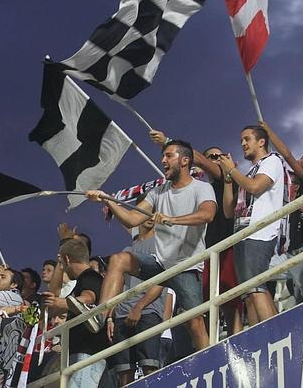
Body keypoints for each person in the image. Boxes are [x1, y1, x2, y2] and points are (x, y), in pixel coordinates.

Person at [87, 140, 216, 351]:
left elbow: (207, 214)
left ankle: (212, 357)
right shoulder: (157, 192)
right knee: (119, 259)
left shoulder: (202, 187)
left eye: (168, 156)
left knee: (194, 321)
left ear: (185, 160)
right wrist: (107, 199)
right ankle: (99, 316)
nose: (163, 160)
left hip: (187, 265)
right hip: (160, 265)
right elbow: (131, 219)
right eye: (163, 156)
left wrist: (172, 219)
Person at [150, 130, 242, 335]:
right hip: (202, 252)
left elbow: (199, 160)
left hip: (225, 247)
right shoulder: (200, 187)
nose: (215, 161)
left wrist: (167, 142)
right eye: (211, 157)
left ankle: (235, 338)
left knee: (229, 300)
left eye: (219, 157)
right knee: (203, 305)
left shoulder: (224, 179)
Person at [217, 125, 285, 325]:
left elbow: (255, 187)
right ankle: (262, 335)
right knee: (249, 293)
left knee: (256, 288)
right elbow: (229, 212)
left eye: (247, 139)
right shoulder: (249, 172)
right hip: (242, 234)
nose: (243, 144)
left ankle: (274, 334)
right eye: (241, 141)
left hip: (259, 233)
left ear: (261, 141)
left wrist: (232, 169)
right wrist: (228, 179)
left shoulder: (271, 161)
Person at [260, 121, 303, 303]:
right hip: (289, 252)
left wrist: (268, 131)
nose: (298, 161)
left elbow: (287, 155)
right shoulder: (294, 189)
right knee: (255, 275)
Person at [42, 238, 108, 387]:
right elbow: (52, 302)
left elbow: (88, 297)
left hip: (88, 354)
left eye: (62, 264)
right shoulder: (81, 280)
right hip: (78, 354)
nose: (63, 269)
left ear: (66, 259)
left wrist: (68, 302)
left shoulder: (89, 276)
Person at [108, 219, 164, 385]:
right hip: (121, 314)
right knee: (124, 372)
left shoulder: (161, 245)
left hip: (147, 312)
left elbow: (161, 281)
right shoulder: (127, 250)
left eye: (151, 213)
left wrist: (139, 307)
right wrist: (110, 316)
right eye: (141, 213)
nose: (148, 218)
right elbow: (118, 285)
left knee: (150, 368)